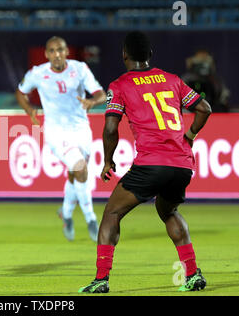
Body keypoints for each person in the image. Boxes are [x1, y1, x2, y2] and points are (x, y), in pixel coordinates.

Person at [79, 31, 212, 293]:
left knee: (112, 213)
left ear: (124, 55)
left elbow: (110, 128)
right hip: (182, 165)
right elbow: (204, 108)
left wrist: (108, 161)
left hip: (151, 164)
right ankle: (193, 274)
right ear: (150, 55)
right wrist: (189, 136)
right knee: (169, 211)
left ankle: (101, 279)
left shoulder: (120, 85)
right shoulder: (172, 79)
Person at [15, 36, 107, 242]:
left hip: (81, 129)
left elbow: (102, 94)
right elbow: (21, 92)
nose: (57, 54)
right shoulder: (38, 73)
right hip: (57, 132)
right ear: (47, 54)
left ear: (67, 52)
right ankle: (91, 220)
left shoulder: (80, 69)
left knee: (76, 174)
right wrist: (29, 109)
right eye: (52, 51)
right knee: (81, 168)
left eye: (61, 50)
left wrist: (92, 102)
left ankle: (65, 213)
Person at [182, 48, 230, 112]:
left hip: (213, 110)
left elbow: (223, 100)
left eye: (205, 58)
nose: (202, 62)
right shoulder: (186, 79)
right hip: (190, 111)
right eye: (199, 59)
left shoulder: (216, 81)